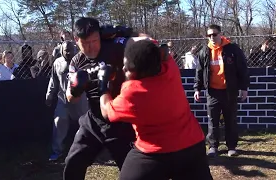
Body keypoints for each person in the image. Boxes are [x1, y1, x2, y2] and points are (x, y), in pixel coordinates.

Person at [98, 38, 213, 180]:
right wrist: (127, 37)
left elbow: (106, 111)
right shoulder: (170, 68)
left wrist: (103, 85)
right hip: (191, 146)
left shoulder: (133, 92)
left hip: (152, 153)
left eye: (128, 69)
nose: (123, 69)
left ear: (140, 74)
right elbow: (151, 46)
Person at [63, 17, 135, 180]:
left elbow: (145, 46)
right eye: (85, 42)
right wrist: (76, 89)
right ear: (76, 40)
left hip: (120, 119)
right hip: (94, 121)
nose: (91, 46)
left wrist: (126, 34)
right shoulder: (76, 61)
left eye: (95, 40)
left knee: (132, 170)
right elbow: (70, 98)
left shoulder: (115, 47)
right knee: (73, 162)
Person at [194, 24, 250, 157]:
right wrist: (197, 88)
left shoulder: (232, 49)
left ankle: (231, 147)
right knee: (212, 121)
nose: (212, 37)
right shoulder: (204, 51)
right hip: (212, 92)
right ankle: (213, 146)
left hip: (229, 91)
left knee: (230, 119)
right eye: (209, 35)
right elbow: (199, 72)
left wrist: (244, 88)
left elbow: (242, 69)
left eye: (214, 34)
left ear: (220, 34)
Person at [46, 41, 88, 161]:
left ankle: (85, 150)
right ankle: (57, 151)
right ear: (61, 51)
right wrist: (49, 95)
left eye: (71, 50)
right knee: (59, 122)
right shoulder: (57, 63)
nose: (69, 52)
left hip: (80, 99)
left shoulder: (82, 60)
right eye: (66, 50)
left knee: (85, 124)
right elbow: (53, 81)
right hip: (63, 99)